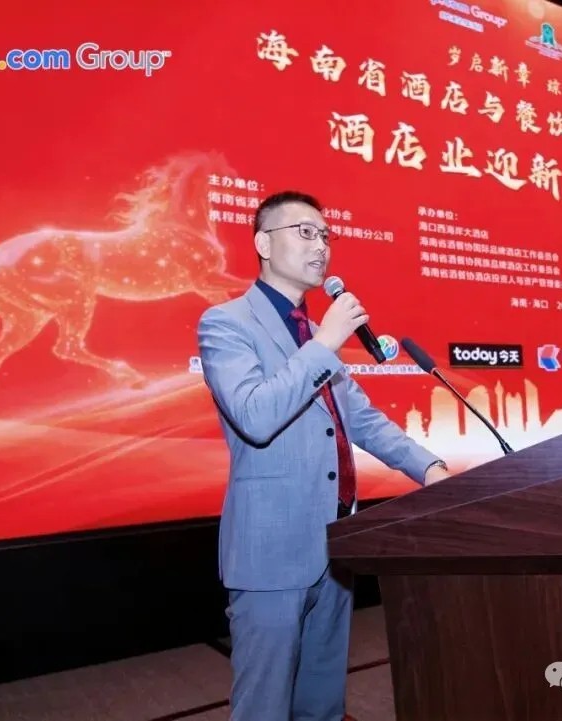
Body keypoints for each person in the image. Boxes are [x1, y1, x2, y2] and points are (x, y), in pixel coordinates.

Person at [197, 190, 450, 721]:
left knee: (322, 707)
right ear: (264, 244)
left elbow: (363, 420)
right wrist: (324, 344)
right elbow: (255, 416)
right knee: (264, 709)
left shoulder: (314, 336)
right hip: (271, 555)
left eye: (326, 236)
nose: (321, 246)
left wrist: (431, 468)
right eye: (305, 233)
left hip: (335, 549)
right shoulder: (226, 324)